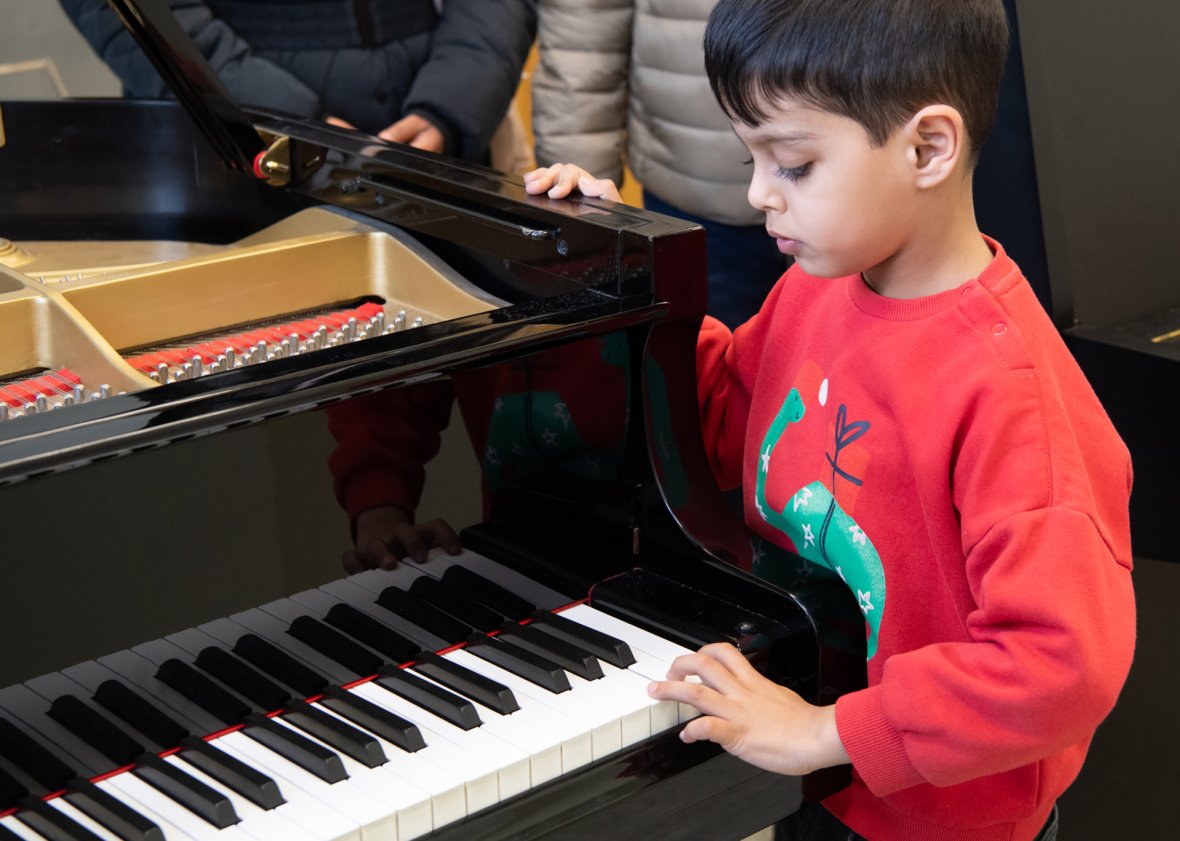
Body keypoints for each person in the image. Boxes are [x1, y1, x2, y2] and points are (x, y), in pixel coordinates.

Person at [524, 1, 1137, 839]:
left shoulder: (1013, 393)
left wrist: (828, 730)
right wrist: (612, 275)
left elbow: (1061, 663)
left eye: (793, 164)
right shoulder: (817, 286)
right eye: (751, 159)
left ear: (928, 148)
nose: (754, 194)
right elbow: (717, 419)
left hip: (945, 821)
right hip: (825, 786)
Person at [530, 0, 788, 327]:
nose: (761, 192)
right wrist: (589, 224)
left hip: (852, 208)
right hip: (693, 193)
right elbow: (581, 41)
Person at [57, 0, 537, 169]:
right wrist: (290, 119)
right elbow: (130, 13)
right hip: (233, 155)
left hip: (450, 145)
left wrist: (452, 106)